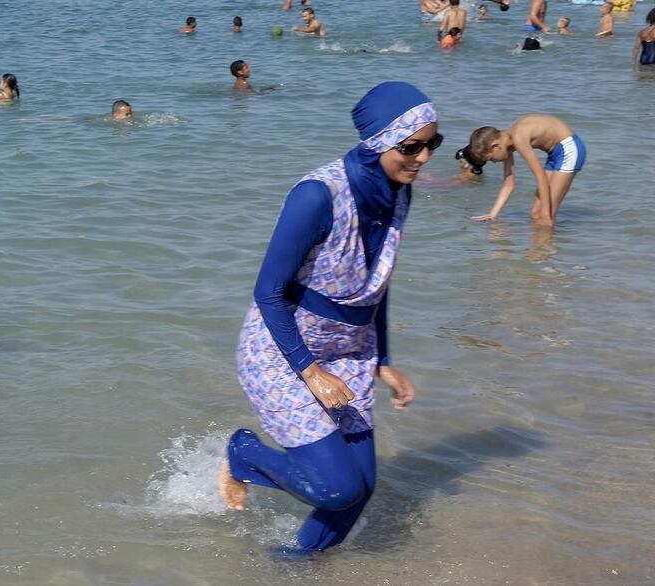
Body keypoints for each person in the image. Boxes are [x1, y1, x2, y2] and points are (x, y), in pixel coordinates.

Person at [219, 81, 440, 551]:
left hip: (351, 352)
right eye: (411, 147)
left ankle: (295, 564)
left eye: (431, 145)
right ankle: (243, 453)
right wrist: (311, 371)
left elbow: (375, 283)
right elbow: (268, 292)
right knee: (336, 488)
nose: (422, 158)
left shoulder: (398, 193)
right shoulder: (317, 196)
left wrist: (382, 360)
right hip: (281, 351)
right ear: (379, 141)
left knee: (360, 487)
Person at [465, 114, 586, 226]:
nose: (494, 162)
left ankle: (545, 247)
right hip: (554, 154)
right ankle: (541, 246)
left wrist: (546, 215)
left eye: (491, 158)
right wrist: (493, 214)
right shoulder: (506, 143)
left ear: (495, 146)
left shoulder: (518, 138)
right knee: (535, 214)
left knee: (546, 215)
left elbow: (541, 176)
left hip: (569, 148)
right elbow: (509, 184)